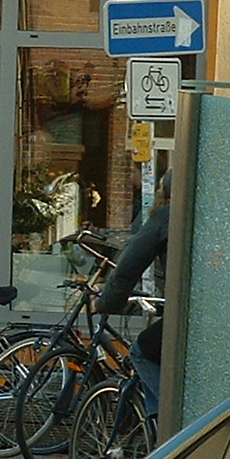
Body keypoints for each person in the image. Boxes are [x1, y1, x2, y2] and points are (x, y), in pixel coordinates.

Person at [98, 170, 170, 417]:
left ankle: (173, 420)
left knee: (141, 351)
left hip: (190, 317)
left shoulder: (164, 217)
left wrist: (107, 302)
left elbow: (127, 268)